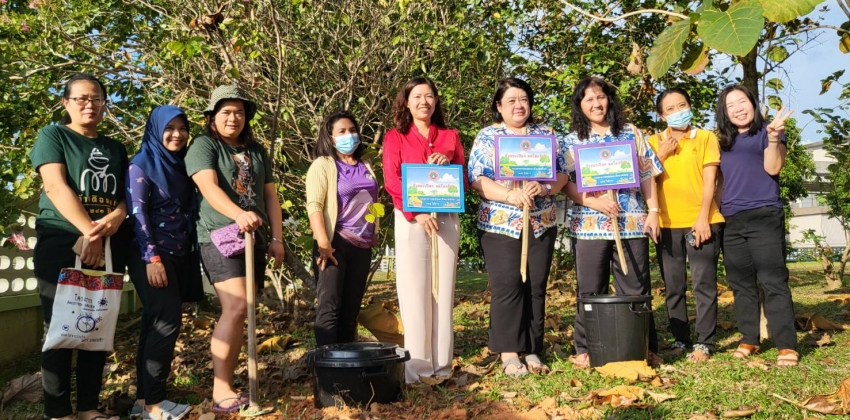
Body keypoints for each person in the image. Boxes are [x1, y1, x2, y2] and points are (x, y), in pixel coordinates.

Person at [29, 73, 128, 420]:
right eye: (82, 98)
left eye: (97, 98)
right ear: (66, 103)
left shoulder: (115, 148)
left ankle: (88, 407)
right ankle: (58, 412)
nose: (90, 104)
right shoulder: (53, 135)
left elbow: (124, 197)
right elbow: (55, 187)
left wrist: (117, 215)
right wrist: (90, 234)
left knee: (97, 324)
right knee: (60, 325)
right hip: (61, 238)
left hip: (106, 246)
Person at [185, 85, 285, 412]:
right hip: (219, 234)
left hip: (253, 237)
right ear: (212, 117)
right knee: (236, 307)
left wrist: (277, 238)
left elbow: (269, 196)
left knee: (243, 311)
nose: (233, 118)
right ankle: (220, 389)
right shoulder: (204, 145)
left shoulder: (255, 150)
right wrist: (238, 214)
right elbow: (208, 187)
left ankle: (228, 384)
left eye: (239, 112)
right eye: (226, 112)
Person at [467, 77, 569, 376]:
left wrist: (545, 187)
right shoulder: (488, 136)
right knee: (508, 285)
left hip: (540, 222)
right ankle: (509, 352)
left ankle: (533, 349)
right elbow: (477, 178)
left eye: (523, 99)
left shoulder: (546, 135)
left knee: (536, 286)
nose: (518, 105)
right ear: (499, 106)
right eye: (511, 100)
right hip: (501, 223)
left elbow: (563, 172)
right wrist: (509, 195)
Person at [563, 76, 664, 369]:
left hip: (630, 222)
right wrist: (592, 202)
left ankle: (643, 346)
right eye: (589, 99)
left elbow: (647, 173)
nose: (596, 104)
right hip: (589, 225)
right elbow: (564, 182)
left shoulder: (631, 133)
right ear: (580, 105)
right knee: (589, 289)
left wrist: (653, 211)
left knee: (636, 287)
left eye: (601, 97)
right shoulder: (572, 141)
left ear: (609, 99)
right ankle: (586, 347)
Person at [382, 77, 465, 383]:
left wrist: (448, 166)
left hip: (445, 219)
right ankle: (417, 370)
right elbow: (391, 180)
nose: (424, 102)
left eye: (429, 96)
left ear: (436, 100)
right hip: (411, 220)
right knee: (414, 291)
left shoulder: (450, 136)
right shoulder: (395, 137)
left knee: (443, 290)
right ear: (406, 102)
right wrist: (415, 213)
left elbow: (463, 178)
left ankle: (442, 367)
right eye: (417, 96)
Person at [126, 105, 204, 419]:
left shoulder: (181, 166)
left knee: (154, 322)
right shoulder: (142, 164)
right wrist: (152, 257)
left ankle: (143, 400)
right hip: (151, 255)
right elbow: (138, 213)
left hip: (178, 253)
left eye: (182, 128)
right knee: (167, 322)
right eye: (169, 128)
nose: (177, 135)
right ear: (156, 130)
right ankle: (155, 404)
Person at [714, 85, 798, 367]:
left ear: (753, 103)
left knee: (773, 281)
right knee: (741, 283)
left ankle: (786, 345)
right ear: (724, 112)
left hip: (764, 215)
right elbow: (719, 182)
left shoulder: (768, 131)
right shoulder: (723, 141)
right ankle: (749, 338)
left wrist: (773, 138)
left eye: (742, 101)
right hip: (731, 220)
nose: (738, 108)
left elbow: (773, 167)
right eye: (730, 105)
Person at [647, 88, 724, 363]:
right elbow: (646, 179)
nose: (678, 111)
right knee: (673, 286)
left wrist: (703, 217)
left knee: (704, 283)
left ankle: (704, 342)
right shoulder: (652, 142)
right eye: (670, 108)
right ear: (661, 115)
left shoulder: (705, 137)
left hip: (701, 221)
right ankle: (681, 339)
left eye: (682, 105)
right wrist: (661, 154)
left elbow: (710, 180)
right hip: (666, 224)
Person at [306, 110, 379, 346]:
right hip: (334, 243)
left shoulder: (366, 165)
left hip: (362, 245)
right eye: (342, 131)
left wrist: (374, 231)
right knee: (330, 308)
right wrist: (323, 243)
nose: (349, 135)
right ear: (330, 137)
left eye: (352, 130)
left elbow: (372, 199)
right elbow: (314, 205)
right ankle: (327, 363)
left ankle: (346, 361)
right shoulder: (323, 165)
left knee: (351, 310)